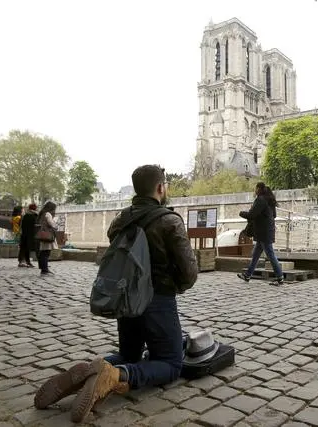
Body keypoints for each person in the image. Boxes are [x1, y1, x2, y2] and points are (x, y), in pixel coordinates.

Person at [33, 165, 198, 423]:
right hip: (158, 300)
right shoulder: (169, 220)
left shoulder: (121, 219)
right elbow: (189, 272)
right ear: (160, 188)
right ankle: (115, 376)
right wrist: (175, 286)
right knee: (170, 363)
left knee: (129, 354)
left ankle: (89, 370)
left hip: (126, 298)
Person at [237, 182, 284, 286]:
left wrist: (241, 213)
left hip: (263, 232)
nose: (255, 191)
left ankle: (280, 277)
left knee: (270, 255)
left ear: (259, 189)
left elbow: (252, 215)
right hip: (266, 231)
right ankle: (248, 275)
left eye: (256, 188)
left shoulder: (260, 200)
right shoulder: (269, 201)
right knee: (256, 255)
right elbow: (274, 215)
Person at [37, 201, 58, 275]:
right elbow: (51, 223)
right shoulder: (48, 214)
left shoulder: (42, 213)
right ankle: (45, 269)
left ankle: (43, 268)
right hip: (47, 235)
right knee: (46, 253)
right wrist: (55, 222)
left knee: (43, 252)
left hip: (42, 235)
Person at [18, 204, 38, 268]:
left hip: (24, 234)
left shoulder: (24, 215)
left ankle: (22, 261)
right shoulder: (36, 215)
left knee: (23, 248)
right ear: (35, 209)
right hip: (31, 234)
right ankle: (27, 261)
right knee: (28, 248)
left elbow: (20, 224)